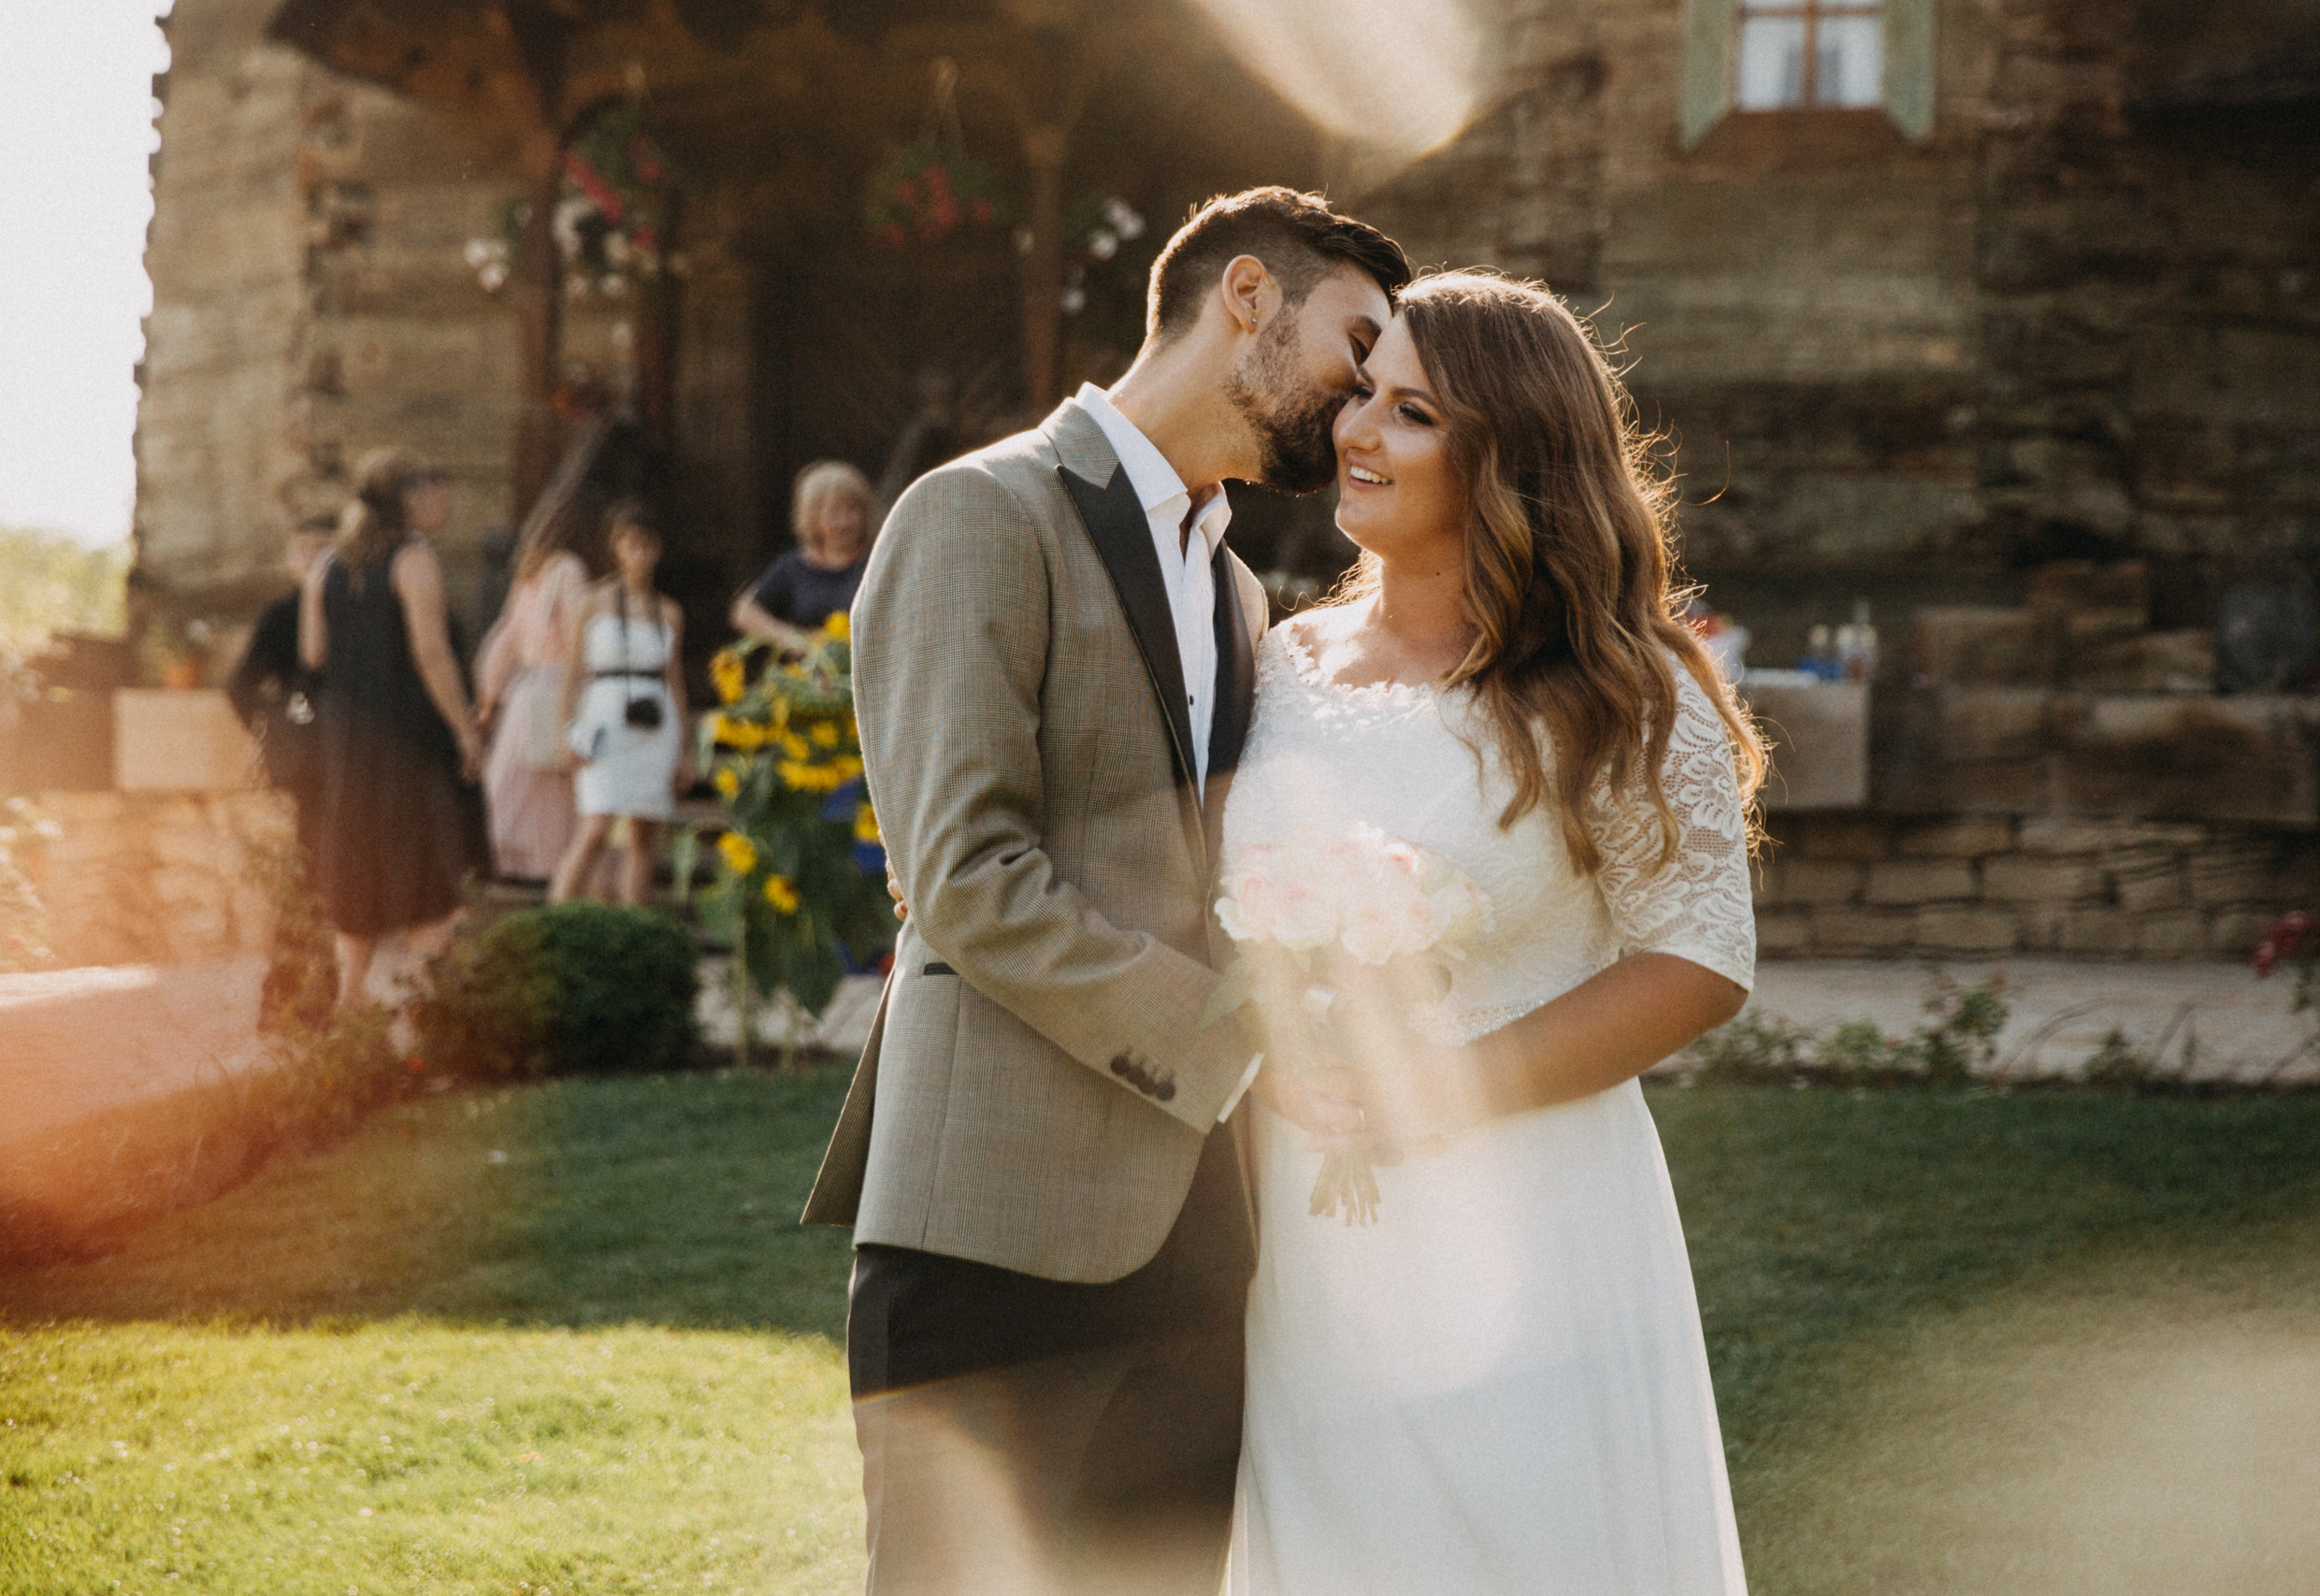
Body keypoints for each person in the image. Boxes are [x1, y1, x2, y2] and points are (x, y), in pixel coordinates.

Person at [802, 187, 1411, 1595]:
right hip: (995, 1228)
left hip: (1202, 1238)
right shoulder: (976, 512)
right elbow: (965, 876)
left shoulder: (1245, 592)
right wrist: (1239, 1042)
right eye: (1358, 343)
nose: (1368, 395)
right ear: (1248, 296)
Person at [1222, 272, 1765, 1595]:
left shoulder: (1623, 685)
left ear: (1509, 456)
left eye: (1412, 412)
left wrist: (1443, 1092)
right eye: (1362, 392)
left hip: (1530, 1216)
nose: (1356, 431)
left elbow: (1695, 958)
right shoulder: (1275, 665)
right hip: (1302, 1224)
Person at [298, 447, 486, 1009]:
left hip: (346, 740)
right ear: (409, 498)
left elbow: (313, 653)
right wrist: (465, 730)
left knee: (356, 864)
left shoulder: (326, 566)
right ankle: (439, 1014)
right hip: (407, 738)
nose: (445, 499)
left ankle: (350, 1003)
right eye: (436, 487)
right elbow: (432, 655)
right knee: (424, 869)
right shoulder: (413, 558)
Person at [548, 501, 695, 905]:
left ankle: (635, 923)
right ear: (617, 548)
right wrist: (565, 731)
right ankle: (556, 918)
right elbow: (575, 672)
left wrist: (685, 748)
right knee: (595, 825)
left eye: (647, 545)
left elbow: (676, 680)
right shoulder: (593, 602)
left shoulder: (668, 610)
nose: (640, 554)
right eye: (632, 544)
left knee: (641, 832)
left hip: (653, 720)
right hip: (605, 717)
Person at [473, 515, 591, 882]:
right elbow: (577, 634)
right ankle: (558, 865)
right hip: (559, 684)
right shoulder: (569, 569)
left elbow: (504, 638)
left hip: (526, 689)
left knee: (516, 783)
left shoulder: (529, 575)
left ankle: (521, 862)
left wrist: (490, 694)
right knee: (558, 784)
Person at [226, 514, 335, 864]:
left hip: (358, 747)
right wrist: (276, 729)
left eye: (321, 551)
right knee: (312, 850)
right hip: (308, 751)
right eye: (301, 551)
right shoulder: (282, 613)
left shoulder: (358, 609)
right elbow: (241, 686)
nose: (310, 560)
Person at [730, 460, 875, 651]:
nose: (844, 522)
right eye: (834, 513)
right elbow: (744, 612)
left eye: (852, 510)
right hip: (808, 674)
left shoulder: (877, 562)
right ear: (813, 519)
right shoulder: (793, 566)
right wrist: (792, 639)